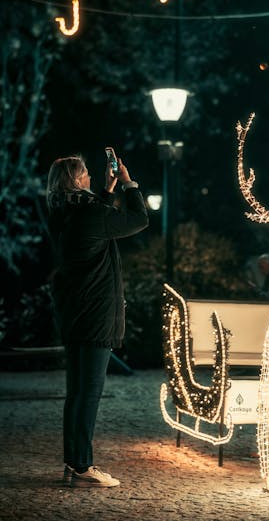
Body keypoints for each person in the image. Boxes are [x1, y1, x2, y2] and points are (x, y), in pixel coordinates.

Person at [46, 153, 148, 488]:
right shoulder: (88, 213)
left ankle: (73, 462)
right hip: (95, 315)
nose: (90, 176)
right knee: (89, 393)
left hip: (75, 314)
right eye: (87, 173)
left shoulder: (63, 212)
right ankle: (82, 465)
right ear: (76, 180)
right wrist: (129, 183)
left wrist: (106, 190)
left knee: (76, 392)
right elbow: (137, 219)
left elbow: (94, 222)